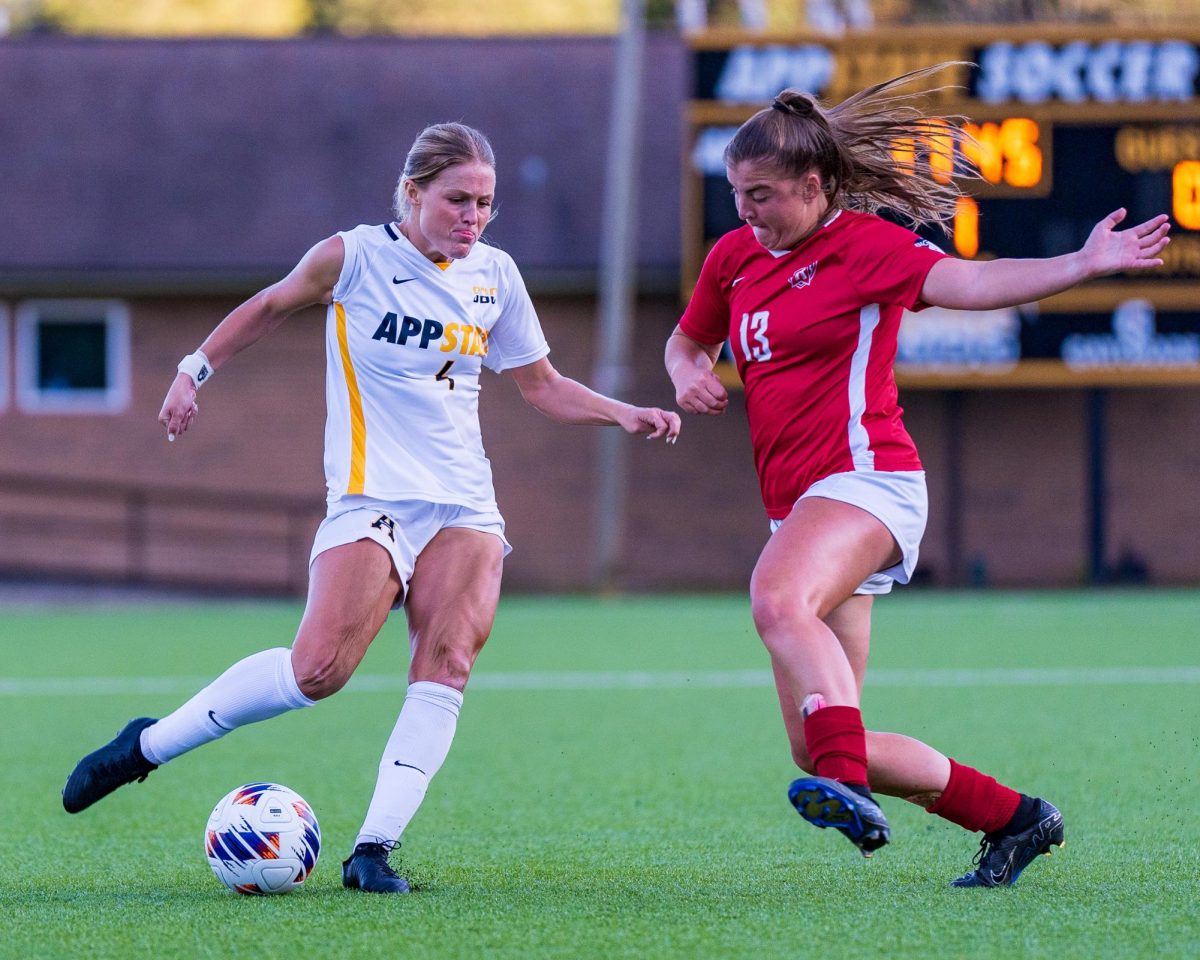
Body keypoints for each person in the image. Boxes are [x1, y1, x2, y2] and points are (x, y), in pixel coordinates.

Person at [63, 121, 681, 894]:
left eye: (486, 203)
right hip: (371, 496)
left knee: (447, 663)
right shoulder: (353, 257)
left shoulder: (496, 276)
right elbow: (269, 305)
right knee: (318, 671)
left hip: (464, 502)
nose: (474, 217)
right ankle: (148, 745)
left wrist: (623, 412)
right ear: (414, 191)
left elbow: (543, 386)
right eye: (458, 199)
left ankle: (372, 850)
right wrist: (193, 371)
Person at [664, 66, 1169, 887]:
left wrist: (1080, 263)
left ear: (814, 184)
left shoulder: (864, 245)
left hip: (867, 482)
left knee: (776, 601)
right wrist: (686, 369)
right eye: (736, 193)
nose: (745, 212)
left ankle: (853, 792)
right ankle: (1016, 818)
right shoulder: (734, 258)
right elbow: (689, 340)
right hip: (800, 509)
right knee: (824, 742)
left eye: (761, 194)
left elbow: (971, 281)